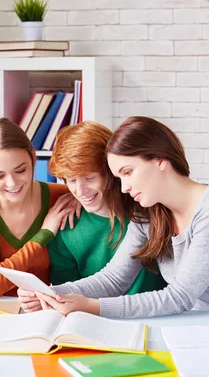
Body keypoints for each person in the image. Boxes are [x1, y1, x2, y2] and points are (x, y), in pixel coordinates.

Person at [18, 116, 209, 318]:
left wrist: (93, 307)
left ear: (159, 161)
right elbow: (114, 279)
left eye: (128, 172)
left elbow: (178, 297)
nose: (123, 187)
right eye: (119, 177)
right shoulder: (149, 212)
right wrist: (49, 292)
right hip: (187, 325)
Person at [24, 122, 166, 310]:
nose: (80, 191)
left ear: (110, 171)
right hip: (96, 320)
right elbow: (68, 297)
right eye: (71, 180)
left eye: (89, 178)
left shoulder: (146, 208)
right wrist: (43, 295)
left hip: (156, 315)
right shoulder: (67, 225)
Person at [0, 118, 77, 298]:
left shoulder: (61, 197)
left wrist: (81, 197)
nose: (12, 183)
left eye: (20, 170)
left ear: (33, 158)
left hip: (34, 309)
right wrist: (44, 234)